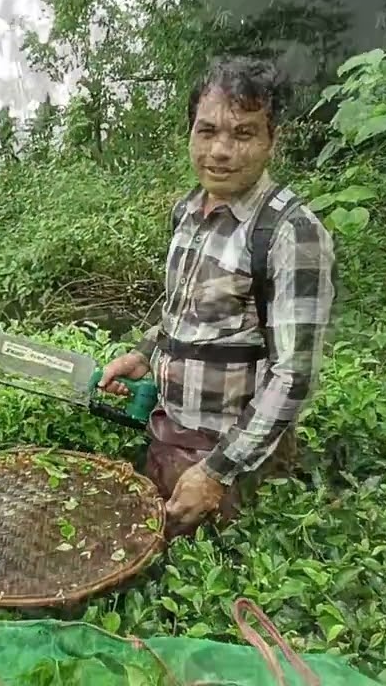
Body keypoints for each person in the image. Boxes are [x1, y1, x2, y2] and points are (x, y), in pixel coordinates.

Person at [98, 56, 336, 539]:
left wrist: (216, 472)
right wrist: (146, 352)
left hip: (233, 458)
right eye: (207, 132)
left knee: (217, 586)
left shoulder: (292, 233)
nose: (221, 150)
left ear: (273, 139)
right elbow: (183, 311)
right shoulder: (187, 211)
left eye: (243, 133)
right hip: (169, 434)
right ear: (190, 133)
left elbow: (294, 377)